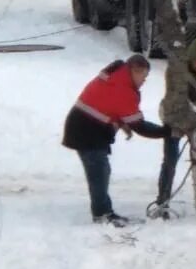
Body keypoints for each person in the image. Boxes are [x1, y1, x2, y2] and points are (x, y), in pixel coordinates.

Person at [62, 55, 171, 226]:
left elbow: (108, 103)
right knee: (99, 173)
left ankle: (104, 211)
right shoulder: (123, 88)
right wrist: (167, 132)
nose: (144, 81)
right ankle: (102, 214)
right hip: (86, 131)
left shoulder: (117, 75)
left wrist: (120, 122)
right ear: (135, 71)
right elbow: (139, 126)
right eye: (143, 76)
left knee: (101, 171)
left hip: (85, 126)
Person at [151, 35, 196, 219]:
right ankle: (163, 200)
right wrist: (184, 113)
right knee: (170, 161)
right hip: (175, 118)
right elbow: (174, 96)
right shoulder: (177, 69)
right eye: (195, 62)